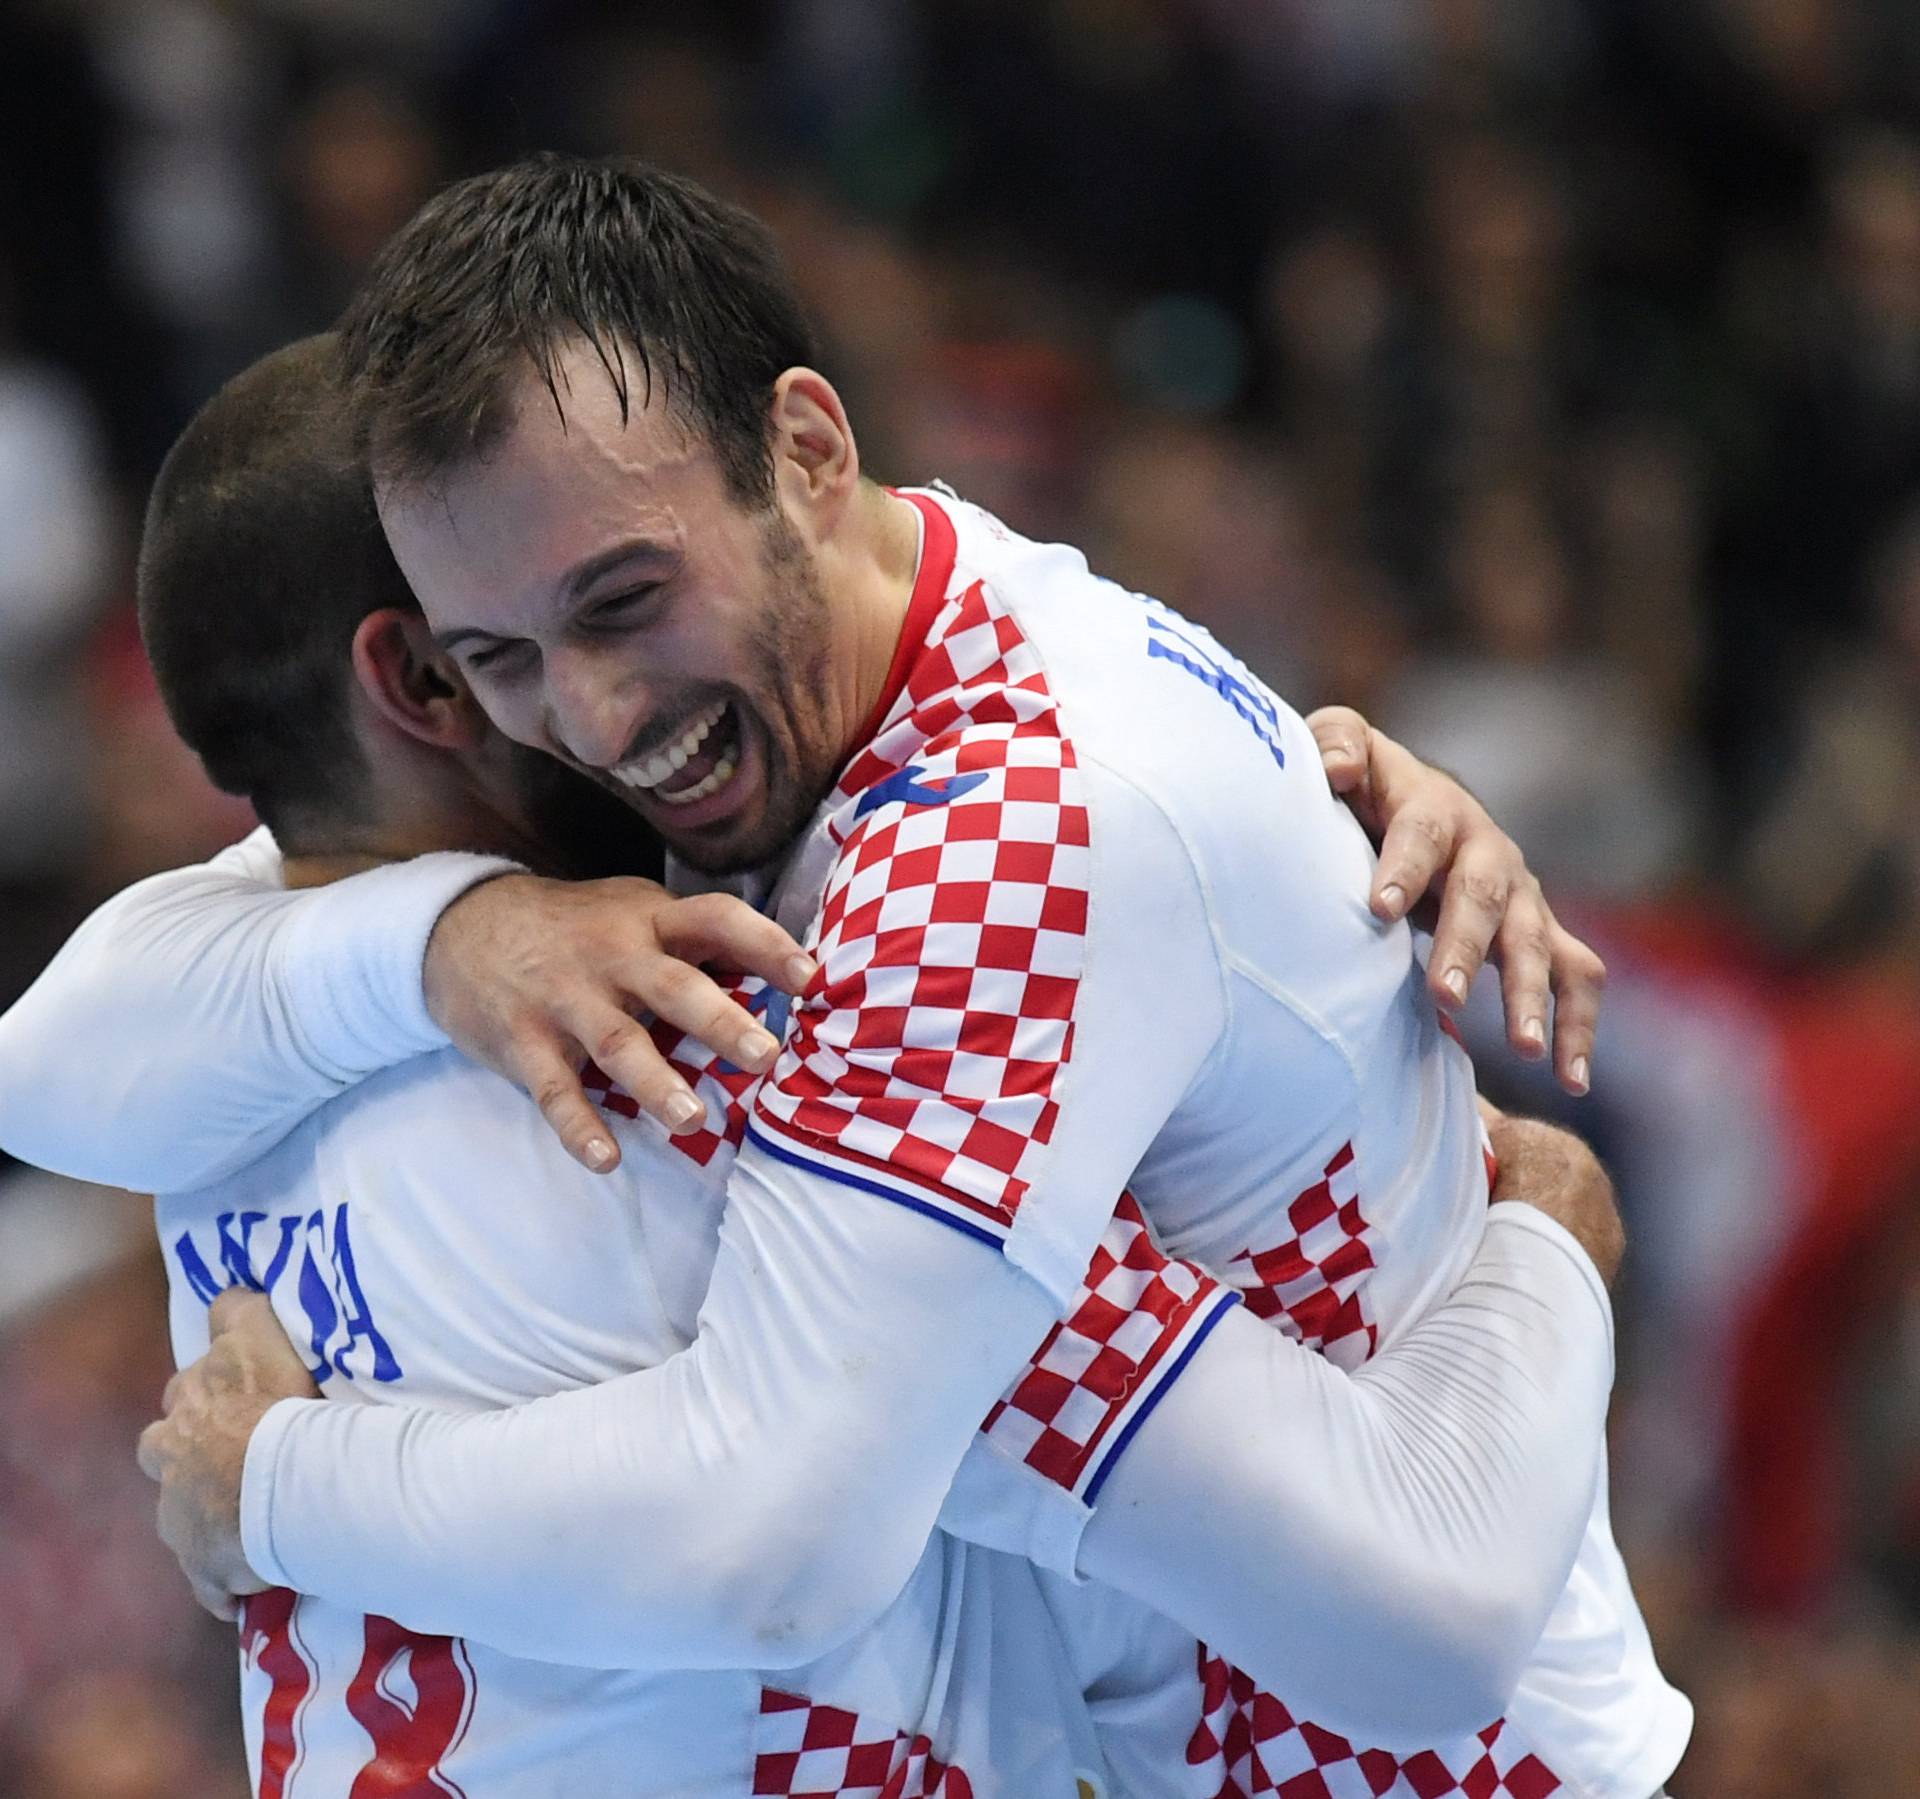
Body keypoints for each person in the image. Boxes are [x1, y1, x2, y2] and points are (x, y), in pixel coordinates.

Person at [0, 158, 1676, 1791]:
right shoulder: (775, 772)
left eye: (624, 602)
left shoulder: (942, 891)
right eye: (505, 655)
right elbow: (55, 1057)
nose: (595, 719)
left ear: (808, 451)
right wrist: (447, 942)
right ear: (426, 671)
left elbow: (783, 1538)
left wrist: (271, 1483)